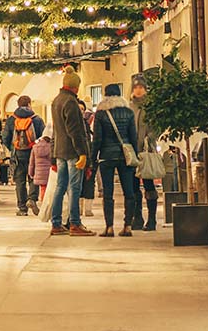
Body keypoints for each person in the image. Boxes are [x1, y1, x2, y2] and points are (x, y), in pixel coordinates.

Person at [91, 83, 141, 236]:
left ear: (105, 95)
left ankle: (109, 227)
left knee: (108, 193)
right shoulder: (128, 112)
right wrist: (135, 155)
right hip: (125, 156)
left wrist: (93, 158)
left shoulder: (100, 114)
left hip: (106, 156)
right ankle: (127, 226)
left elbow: (97, 139)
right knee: (129, 192)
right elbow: (133, 136)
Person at [49, 69, 95, 236]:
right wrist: (83, 153)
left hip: (60, 151)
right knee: (74, 187)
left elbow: (56, 130)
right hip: (72, 152)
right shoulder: (70, 102)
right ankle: (75, 223)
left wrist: (53, 155)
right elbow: (75, 131)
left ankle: (56, 222)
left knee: (60, 187)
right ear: (76, 87)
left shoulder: (56, 101)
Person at [2, 95, 46, 216]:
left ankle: (22, 208)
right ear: (29, 104)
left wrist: (12, 148)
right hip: (33, 153)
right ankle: (32, 199)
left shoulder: (11, 119)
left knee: (20, 181)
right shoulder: (36, 119)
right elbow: (43, 136)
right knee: (33, 177)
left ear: (18, 104)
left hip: (17, 154)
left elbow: (5, 137)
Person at [128, 74, 158, 231]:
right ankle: (137, 217)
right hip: (132, 152)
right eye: (136, 87)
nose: (139, 90)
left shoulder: (150, 107)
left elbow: (156, 127)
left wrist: (150, 139)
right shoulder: (129, 107)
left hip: (147, 151)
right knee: (133, 187)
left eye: (141, 87)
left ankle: (152, 219)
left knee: (148, 184)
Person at [30, 131, 53, 203]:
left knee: (43, 188)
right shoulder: (50, 147)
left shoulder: (35, 147)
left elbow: (31, 162)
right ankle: (47, 202)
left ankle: (43, 202)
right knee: (49, 189)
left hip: (38, 172)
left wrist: (31, 173)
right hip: (49, 171)